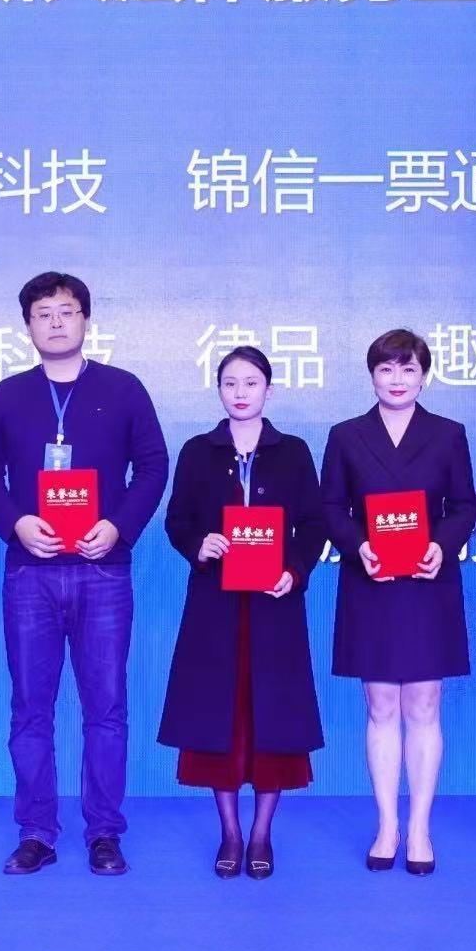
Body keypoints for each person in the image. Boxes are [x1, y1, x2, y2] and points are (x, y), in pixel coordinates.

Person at [0, 272, 169, 876]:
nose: (55, 322)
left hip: (103, 571)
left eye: (67, 311)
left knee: (106, 707)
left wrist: (119, 526)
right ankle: (36, 832)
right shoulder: (8, 395)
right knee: (31, 708)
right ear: (27, 326)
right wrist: (15, 523)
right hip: (31, 573)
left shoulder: (123, 389)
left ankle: (104, 832)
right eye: (43, 314)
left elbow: (153, 466)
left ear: (86, 320)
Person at [157, 345, 327, 879]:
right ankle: (230, 831)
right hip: (216, 605)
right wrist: (198, 544)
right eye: (230, 383)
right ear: (219, 390)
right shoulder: (198, 451)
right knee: (219, 719)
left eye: (251, 383)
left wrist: (294, 570)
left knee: (275, 719)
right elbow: (177, 520)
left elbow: (314, 525)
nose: (240, 392)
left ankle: (261, 833)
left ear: (268, 390)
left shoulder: (293, 452)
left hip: (276, 606)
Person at [320, 328, 476, 875]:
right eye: (386, 369)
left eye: (408, 369)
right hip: (372, 580)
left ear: (424, 377)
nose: (397, 379)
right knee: (381, 706)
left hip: (428, 582)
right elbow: (330, 507)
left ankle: (420, 827)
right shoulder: (346, 435)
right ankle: (387, 824)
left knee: (425, 705)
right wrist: (359, 546)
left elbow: (464, 506)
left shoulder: (448, 434)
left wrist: (441, 546)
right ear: (372, 376)